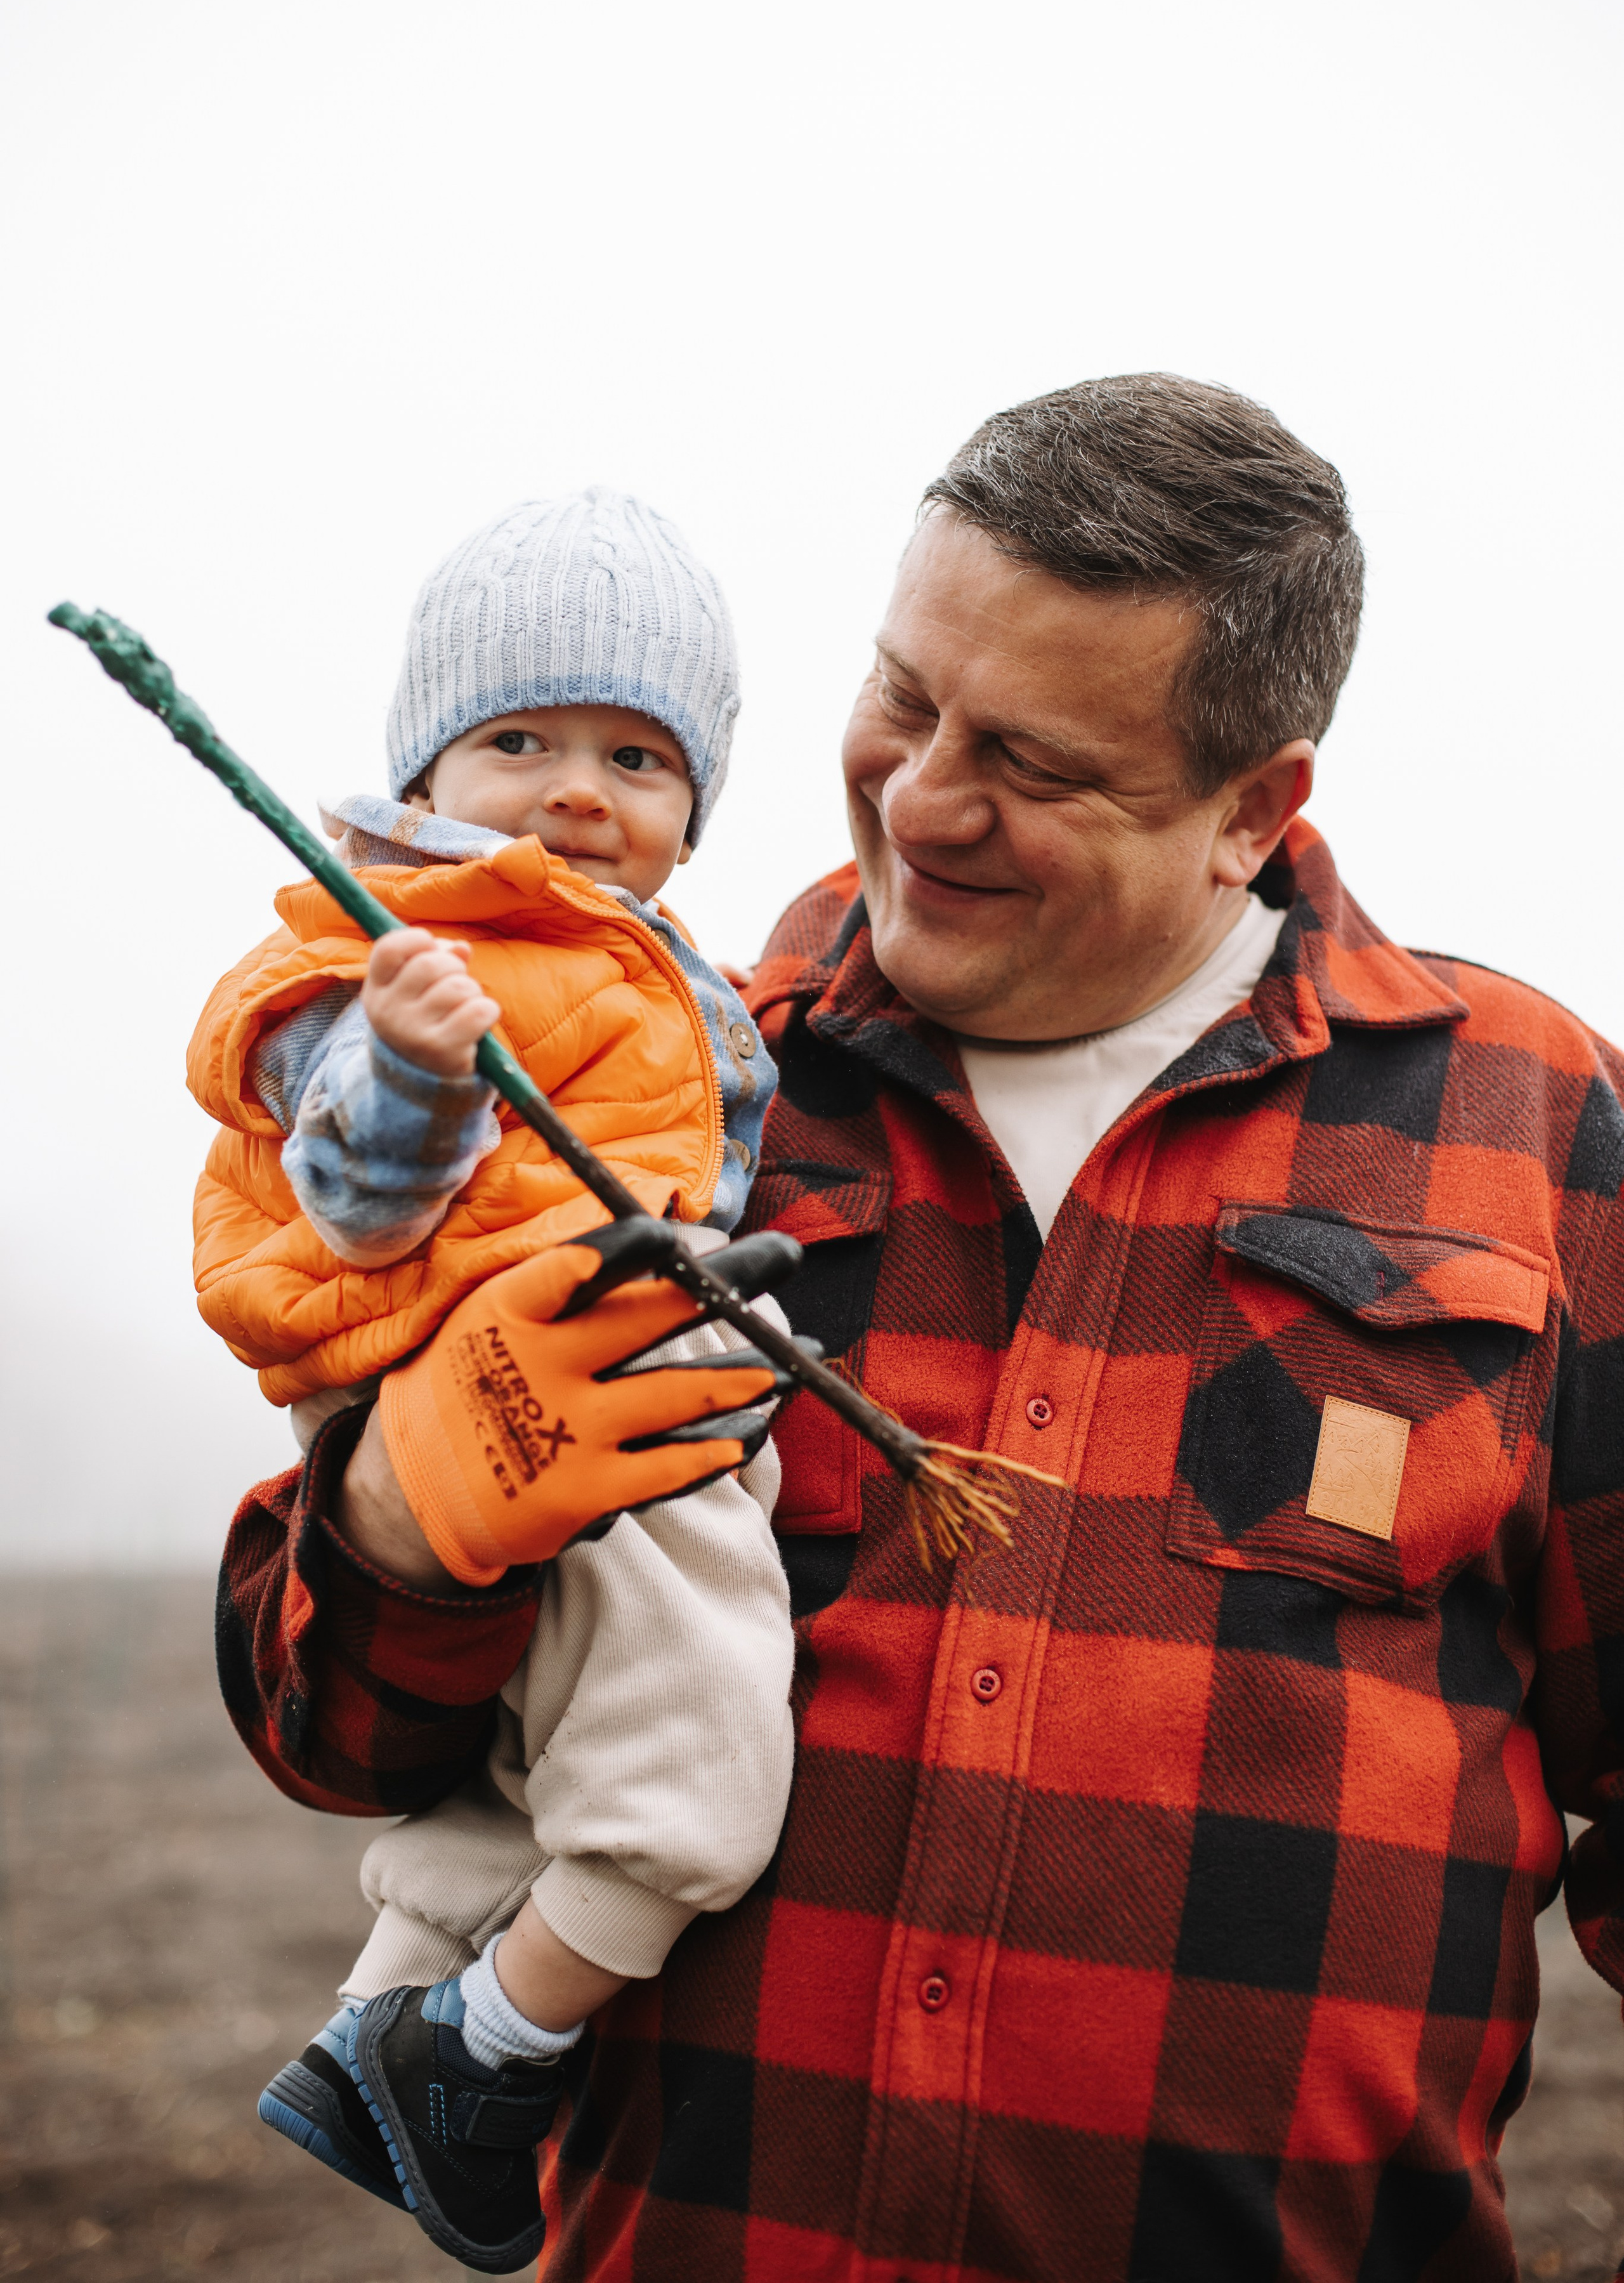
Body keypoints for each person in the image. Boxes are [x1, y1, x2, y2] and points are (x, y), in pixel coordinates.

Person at [218, 375, 1624, 2282]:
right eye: (903, 698)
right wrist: (402, 1518)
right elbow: (339, 1737)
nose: (923, 797)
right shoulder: (668, 1101)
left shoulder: (1528, 1129)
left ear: (1251, 807)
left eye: (1037, 766)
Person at [192, 490, 797, 2273]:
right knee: (696, 1776)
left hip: (591, 1373)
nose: (579, 790)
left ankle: (371, 2031)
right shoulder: (398, 961)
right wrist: (417, 1064)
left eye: (636, 755)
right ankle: (486, 2053)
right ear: (424, 768)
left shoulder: (635, 957)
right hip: (535, 1386)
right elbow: (356, 1194)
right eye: (517, 739)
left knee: (516, 1777)